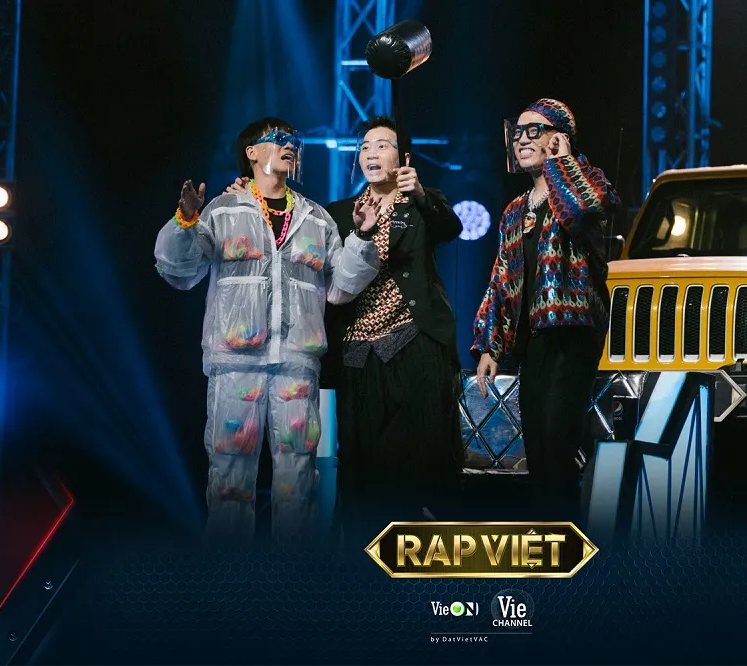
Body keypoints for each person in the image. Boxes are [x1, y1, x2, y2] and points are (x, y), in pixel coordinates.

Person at [227, 116, 464, 542]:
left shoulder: (421, 204)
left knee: (420, 456)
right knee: (363, 465)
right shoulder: (336, 214)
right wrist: (245, 192)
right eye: (366, 147)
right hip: (358, 351)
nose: (372, 153)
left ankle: (424, 549)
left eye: (383, 145)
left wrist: (421, 194)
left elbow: (452, 227)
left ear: (403, 158)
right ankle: (366, 557)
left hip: (415, 343)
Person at [154, 116, 381, 542]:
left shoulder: (315, 218)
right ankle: (229, 572)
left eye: (293, 140)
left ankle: (294, 574)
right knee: (229, 472)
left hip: (296, 359)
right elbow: (180, 270)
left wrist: (362, 238)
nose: (289, 145)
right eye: (277, 139)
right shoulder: (224, 210)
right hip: (234, 359)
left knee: (299, 475)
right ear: (252, 153)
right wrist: (185, 220)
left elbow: (341, 286)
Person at [472, 99, 620, 522]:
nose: (521, 139)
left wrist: (561, 164)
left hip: (573, 333)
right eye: (517, 131)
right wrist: (490, 345)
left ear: (559, 137)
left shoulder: (585, 181)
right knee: (537, 447)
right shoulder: (515, 210)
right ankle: (547, 539)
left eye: (533, 130)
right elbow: (502, 279)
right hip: (534, 339)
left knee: (557, 442)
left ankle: (567, 544)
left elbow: (581, 211)